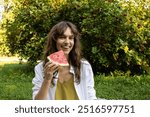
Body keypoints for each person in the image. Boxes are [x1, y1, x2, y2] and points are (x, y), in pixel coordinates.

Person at [32, 21, 97, 100]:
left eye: (71, 38)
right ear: (54, 40)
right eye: (62, 37)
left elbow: (91, 96)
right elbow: (37, 103)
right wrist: (47, 79)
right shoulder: (41, 68)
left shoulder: (84, 66)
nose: (67, 42)